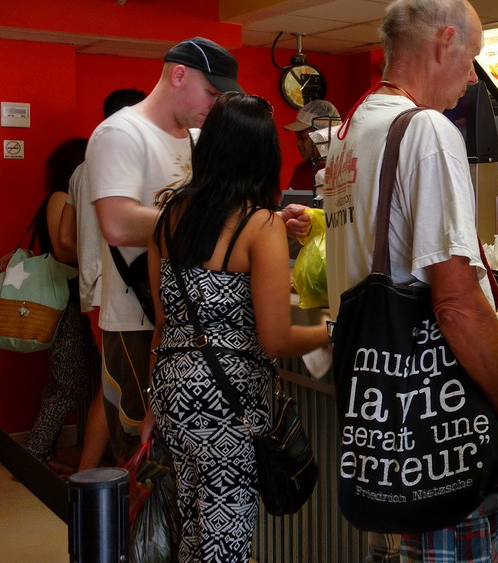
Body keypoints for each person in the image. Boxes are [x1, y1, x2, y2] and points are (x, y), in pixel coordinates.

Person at [322, 0, 498, 562]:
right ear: (446, 42)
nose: (472, 79)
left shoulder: (348, 136)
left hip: (380, 425)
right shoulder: (428, 132)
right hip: (435, 428)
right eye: (472, 61)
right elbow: (454, 304)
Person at [85, 37, 313, 461]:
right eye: (211, 92)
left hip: (194, 328)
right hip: (138, 317)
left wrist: (261, 226)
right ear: (178, 75)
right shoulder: (121, 132)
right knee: (142, 455)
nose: (214, 104)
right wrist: (244, 228)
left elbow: (220, 216)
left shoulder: (196, 138)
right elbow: (116, 224)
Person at [144, 92, 330, 563]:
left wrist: (153, 405)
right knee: (226, 541)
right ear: (262, 154)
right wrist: (334, 330)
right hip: (227, 402)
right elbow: (277, 338)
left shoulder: (169, 216)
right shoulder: (258, 224)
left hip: (172, 392)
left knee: (192, 529)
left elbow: (164, 321)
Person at [63, 87, 146, 471]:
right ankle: (94, 473)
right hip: (115, 290)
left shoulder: (81, 170)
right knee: (113, 385)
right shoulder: (130, 162)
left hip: (92, 285)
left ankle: (97, 470)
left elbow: (66, 237)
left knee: (110, 381)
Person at [23, 138, 98, 475]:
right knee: (67, 382)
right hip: (62, 296)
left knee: (75, 379)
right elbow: (62, 249)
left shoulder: (65, 197)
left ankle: (50, 451)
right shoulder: (60, 198)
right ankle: (34, 455)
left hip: (71, 295)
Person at [283, 98, 340, 193]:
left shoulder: (339, 171)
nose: (298, 143)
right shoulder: (300, 170)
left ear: (323, 135)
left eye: (302, 138)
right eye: (297, 138)